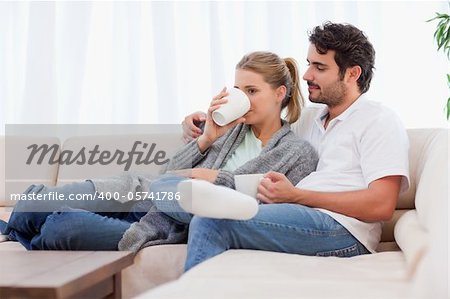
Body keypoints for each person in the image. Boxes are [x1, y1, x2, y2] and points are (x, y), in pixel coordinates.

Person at [0, 51, 318, 251]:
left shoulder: (297, 152)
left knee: (61, 227)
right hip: (136, 191)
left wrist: (209, 176)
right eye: (238, 90)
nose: (243, 98)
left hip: (163, 221)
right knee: (33, 200)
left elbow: (265, 208)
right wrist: (206, 139)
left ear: (280, 94)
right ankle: (18, 229)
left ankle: (17, 232)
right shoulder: (225, 129)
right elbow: (167, 174)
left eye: (252, 91)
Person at [181, 22, 409, 271]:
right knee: (181, 212)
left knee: (212, 220)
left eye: (320, 67)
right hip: (299, 216)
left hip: (342, 230)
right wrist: (201, 122)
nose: (307, 75)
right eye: (309, 63)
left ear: (352, 74)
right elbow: (264, 116)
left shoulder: (379, 121)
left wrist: (298, 196)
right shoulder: (310, 119)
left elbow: (382, 205)